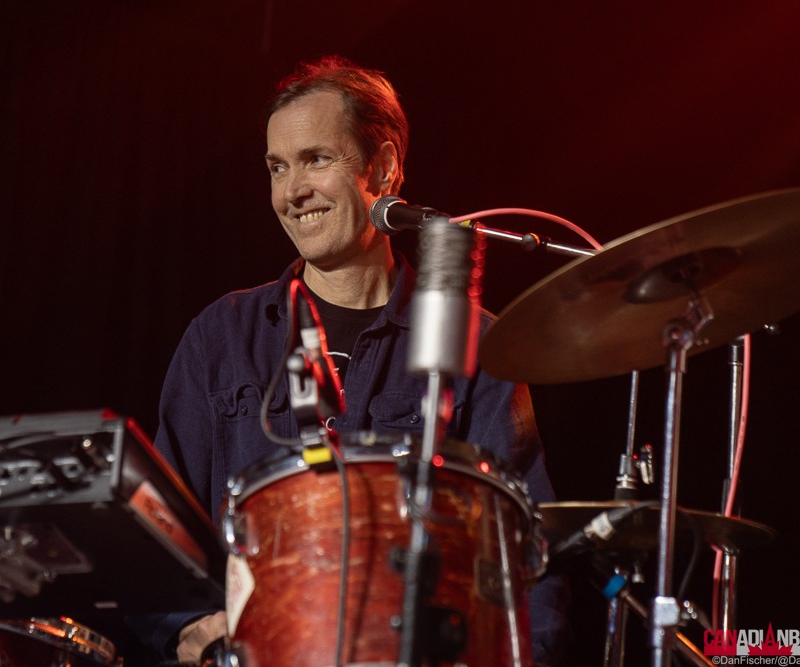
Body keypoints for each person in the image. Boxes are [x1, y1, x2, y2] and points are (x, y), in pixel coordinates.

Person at [141, 55, 570, 665]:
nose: (292, 192)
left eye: (317, 159)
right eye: (277, 167)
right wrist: (188, 631)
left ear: (385, 167)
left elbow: (527, 552)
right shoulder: (220, 337)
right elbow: (159, 531)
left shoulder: (477, 344)